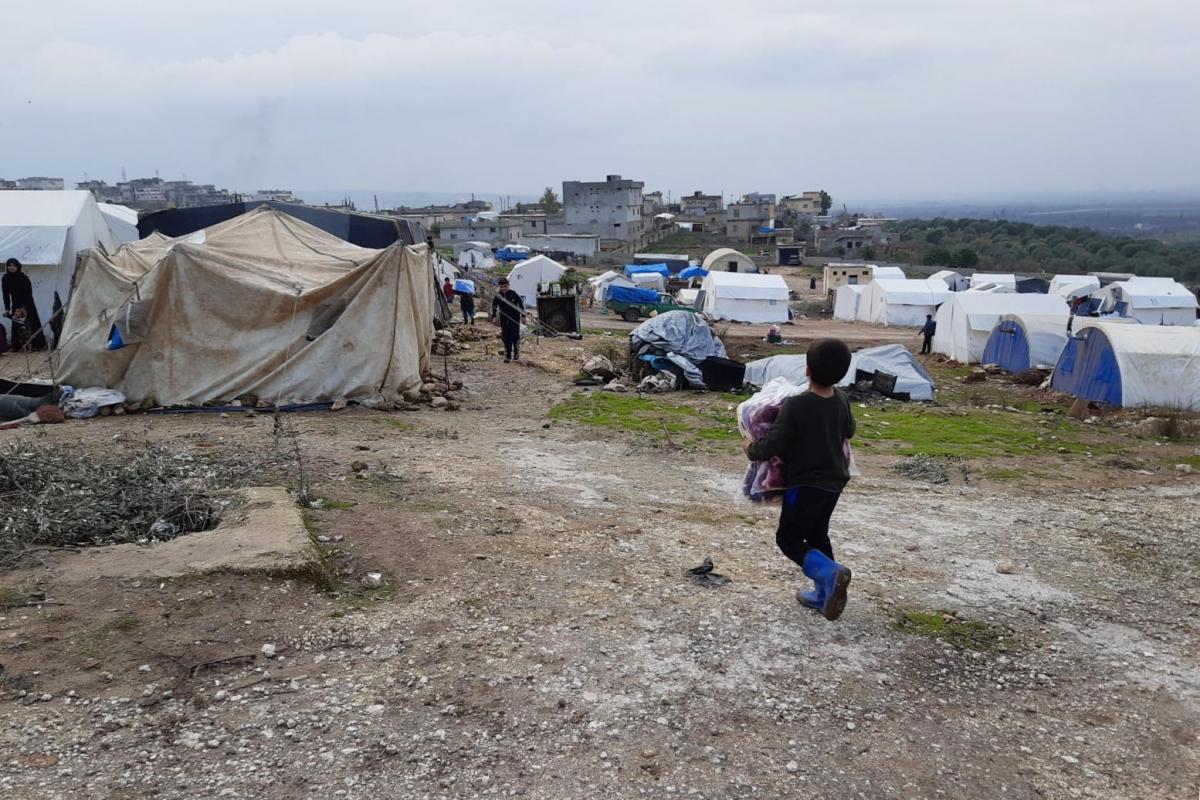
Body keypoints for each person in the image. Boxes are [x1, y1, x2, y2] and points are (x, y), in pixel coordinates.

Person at [742, 338, 856, 621]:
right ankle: (824, 593)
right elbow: (850, 431)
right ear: (842, 373)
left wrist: (750, 448)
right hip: (834, 483)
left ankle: (830, 574)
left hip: (804, 486)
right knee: (817, 533)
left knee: (788, 538)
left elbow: (772, 445)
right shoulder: (842, 400)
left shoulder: (796, 405)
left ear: (807, 370)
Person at [3, 258, 46, 351]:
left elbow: (28, 293)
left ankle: (37, 345)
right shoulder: (5, 278)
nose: (11, 267)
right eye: (9, 265)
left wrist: (24, 307)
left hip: (27, 303)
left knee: (31, 323)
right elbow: (5, 294)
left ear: (18, 266)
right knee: (16, 324)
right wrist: (7, 308)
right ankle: (17, 346)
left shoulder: (23, 278)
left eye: (13, 265)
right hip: (15, 303)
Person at [490, 278, 524, 363]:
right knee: (506, 337)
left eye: (505, 286)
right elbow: (494, 305)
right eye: (501, 287)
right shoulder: (498, 295)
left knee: (515, 336)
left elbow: (520, 303)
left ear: (508, 286)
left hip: (514, 317)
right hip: (504, 318)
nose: (504, 288)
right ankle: (508, 355)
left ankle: (516, 353)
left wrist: (523, 315)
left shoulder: (513, 293)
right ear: (499, 287)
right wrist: (493, 316)